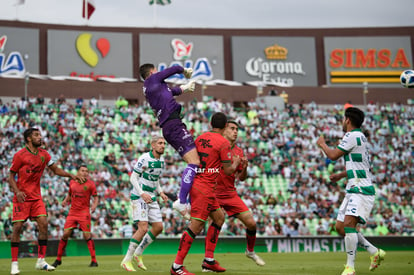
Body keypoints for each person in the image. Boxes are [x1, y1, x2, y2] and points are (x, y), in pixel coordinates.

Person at [316, 107, 386, 275]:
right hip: (354, 186)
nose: (342, 122)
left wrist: (322, 144)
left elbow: (332, 155)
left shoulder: (352, 135)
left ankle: (350, 268)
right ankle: (374, 252)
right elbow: (359, 165)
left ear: (347, 120)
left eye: (343, 119)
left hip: (360, 188)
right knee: (340, 228)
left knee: (348, 224)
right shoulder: (360, 136)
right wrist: (341, 175)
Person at [170, 112, 241, 275]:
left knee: (219, 217)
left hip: (198, 183)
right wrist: (236, 162)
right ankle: (177, 266)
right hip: (205, 188)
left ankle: (208, 260)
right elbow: (228, 170)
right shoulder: (223, 143)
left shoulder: (200, 138)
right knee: (197, 225)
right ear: (224, 127)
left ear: (211, 124)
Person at [8, 128, 86, 275]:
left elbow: (56, 170)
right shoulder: (20, 155)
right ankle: (14, 263)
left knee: (44, 224)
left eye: (40, 135)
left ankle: (41, 261)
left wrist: (71, 175)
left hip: (36, 197)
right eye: (36, 135)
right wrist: (17, 192)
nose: (40, 137)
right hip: (22, 198)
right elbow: (11, 176)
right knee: (17, 227)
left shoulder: (44, 154)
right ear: (29, 139)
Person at [139, 63, 199, 218]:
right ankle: (182, 201)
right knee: (195, 163)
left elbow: (171, 92)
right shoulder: (152, 80)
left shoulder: (152, 88)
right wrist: (184, 71)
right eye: (156, 71)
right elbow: (174, 68)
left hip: (171, 126)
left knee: (194, 164)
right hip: (173, 125)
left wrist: (185, 88)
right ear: (152, 72)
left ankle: (189, 204)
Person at [215, 120, 265, 266]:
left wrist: (244, 168)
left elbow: (241, 178)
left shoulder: (238, 151)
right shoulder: (217, 147)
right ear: (224, 130)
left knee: (251, 223)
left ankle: (249, 251)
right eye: (232, 128)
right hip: (214, 193)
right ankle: (208, 260)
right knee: (215, 223)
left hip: (230, 193)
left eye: (237, 129)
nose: (235, 131)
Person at [121, 136, 169, 271]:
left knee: (158, 227)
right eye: (160, 143)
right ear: (153, 145)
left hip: (152, 196)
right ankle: (126, 260)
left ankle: (138, 253)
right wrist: (142, 193)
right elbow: (133, 178)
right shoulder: (144, 158)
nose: (163, 146)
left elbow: (156, 179)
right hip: (139, 196)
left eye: (164, 144)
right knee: (142, 228)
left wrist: (161, 192)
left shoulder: (161, 160)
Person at [52, 164, 99, 268]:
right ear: (78, 172)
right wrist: (65, 200)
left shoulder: (91, 184)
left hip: (84, 212)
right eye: (82, 171)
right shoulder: (72, 182)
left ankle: (94, 260)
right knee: (65, 234)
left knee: (87, 235)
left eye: (86, 171)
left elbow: (95, 197)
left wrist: (94, 206)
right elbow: (70, 194)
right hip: (72, 212)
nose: (85, 173)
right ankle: (58, 259)